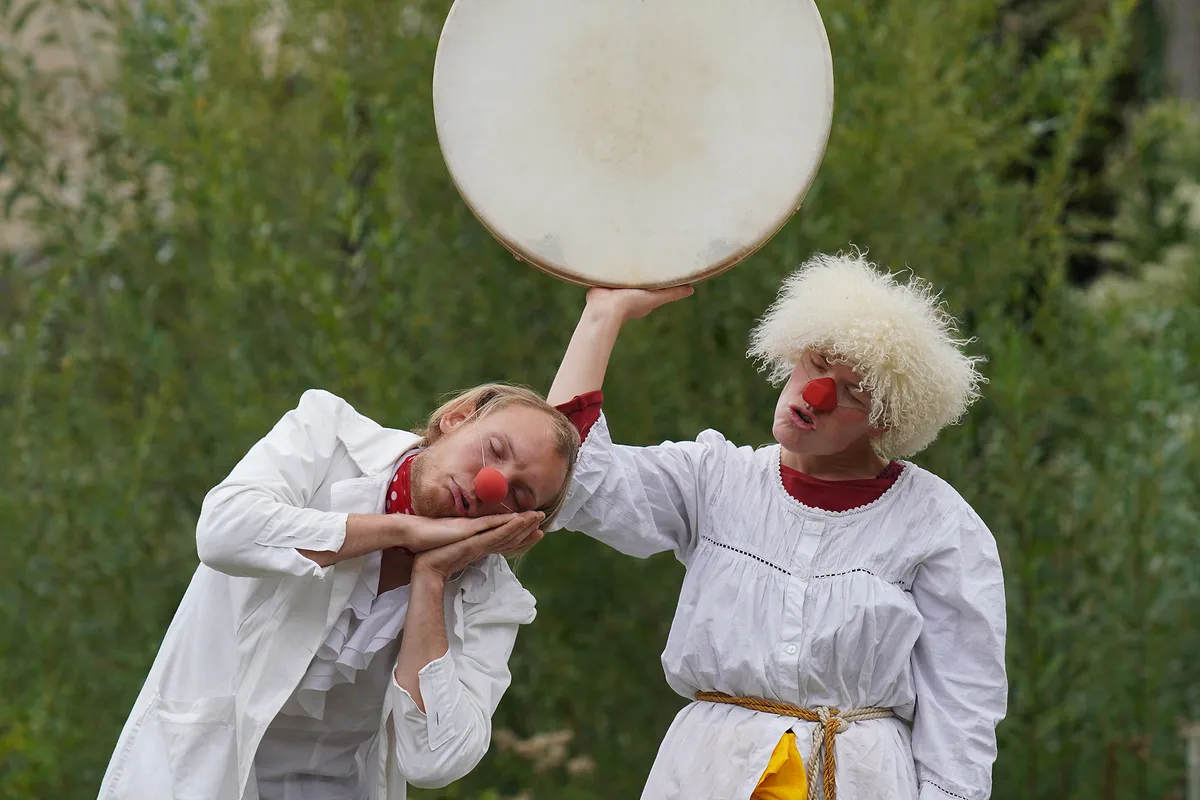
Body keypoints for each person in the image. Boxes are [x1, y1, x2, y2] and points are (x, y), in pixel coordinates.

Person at [546, 252, 1008, 800]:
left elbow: (963, 708)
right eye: (815, 364)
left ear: (886, 420)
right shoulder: (714, 478)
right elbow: (572, 481)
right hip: (708, 777)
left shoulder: (938, 523)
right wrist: (601, 317)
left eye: (853, 392)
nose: (817, 395)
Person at [98, 383, 580, 800]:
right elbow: (224, 530)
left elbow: (436, 759)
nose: (491, 484)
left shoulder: (494, 600)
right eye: (495, 450)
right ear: (455, 419)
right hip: (199, 777)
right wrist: (400, 531)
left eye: (517, 496)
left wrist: (430, 580)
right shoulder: (327, 437)